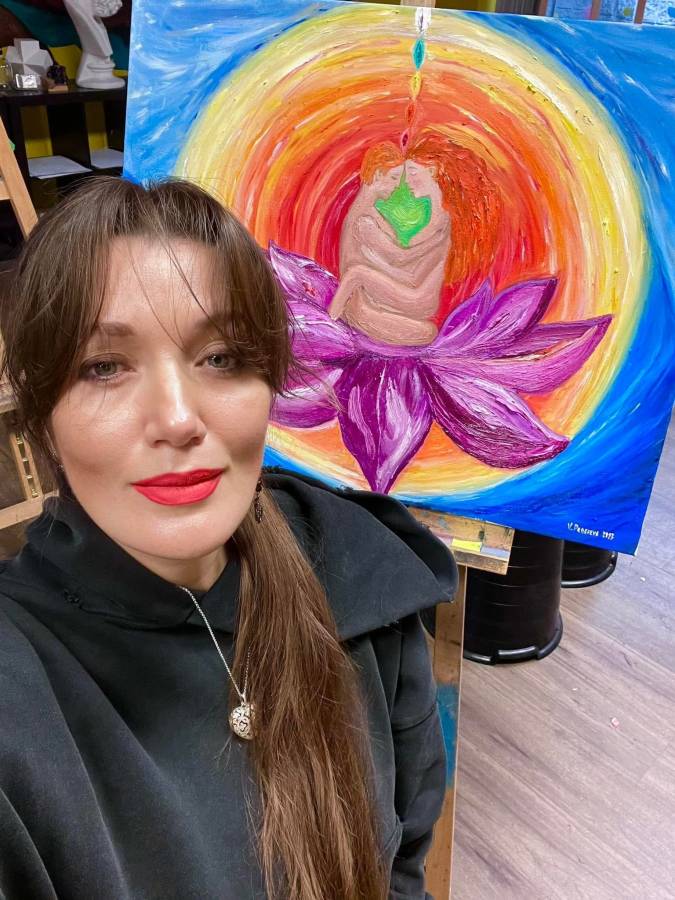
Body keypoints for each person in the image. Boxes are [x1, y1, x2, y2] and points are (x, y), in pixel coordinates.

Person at [0, 178, 457, 900]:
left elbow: (401, 867)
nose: (179, 419)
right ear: (42, 415)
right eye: (104, 366)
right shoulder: (19, 688)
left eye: (220, 357)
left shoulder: (361, 579)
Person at [329, 142, 450, 346]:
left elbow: (398, 256)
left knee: (426, 323)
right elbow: (398, 256)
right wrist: (434, 242)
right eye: (394, 178)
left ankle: (337, 319)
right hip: (361, 308)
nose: (398, 186)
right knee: (427, 332)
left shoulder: (373, 213)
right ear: (377, 176)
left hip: (376, 299)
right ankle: (332, 322)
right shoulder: (363, 220)